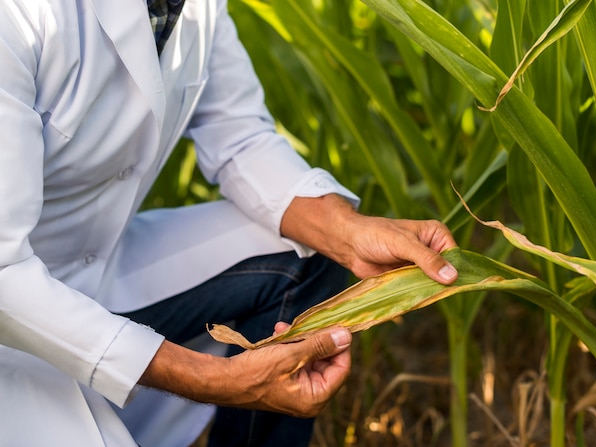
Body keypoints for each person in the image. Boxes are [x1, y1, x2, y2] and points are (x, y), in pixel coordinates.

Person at [0, 0, 459, 446]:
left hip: (97, 271)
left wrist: (348, 231)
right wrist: (211, 378)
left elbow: (238, 136)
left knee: (309, 251)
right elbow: (5, 276)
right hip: (11, 321)